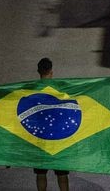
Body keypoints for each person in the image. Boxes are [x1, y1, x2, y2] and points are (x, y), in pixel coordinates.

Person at [33, 57, 69, 191]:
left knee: (41, 174)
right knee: (62, 175)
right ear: (51, 72)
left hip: (40, 139)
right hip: (59, 138)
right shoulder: (60, 89)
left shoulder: (33, 91)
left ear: (38, 71)